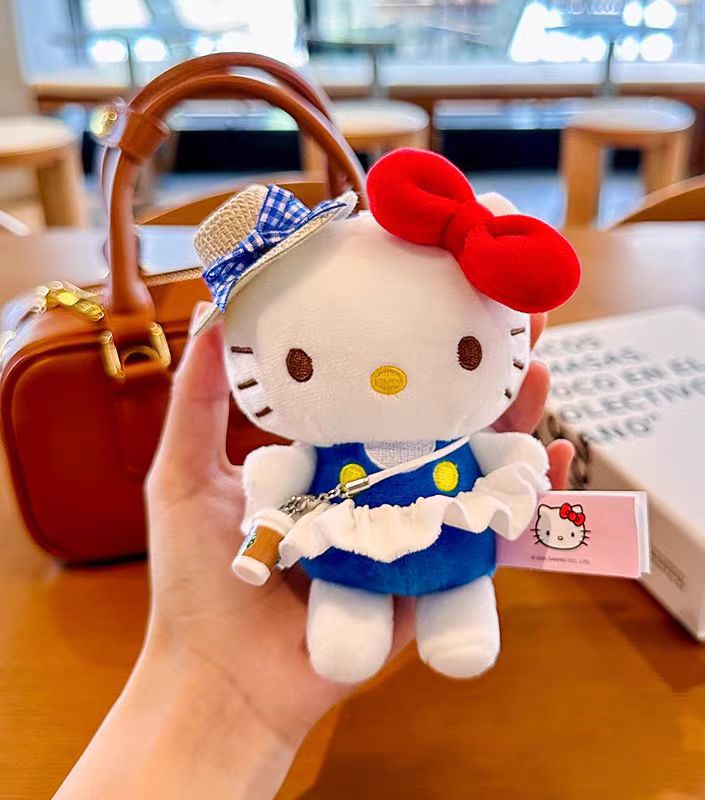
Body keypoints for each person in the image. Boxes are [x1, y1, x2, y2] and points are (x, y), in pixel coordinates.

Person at [54, 304, 573, 799]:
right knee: (346, 632)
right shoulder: (322, 450)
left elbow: (511, 455)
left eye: (467, 351)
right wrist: (266, 511)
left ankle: (458, 614)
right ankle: (352, 622)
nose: (388, 378)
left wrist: (525, 475)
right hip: (348, 567)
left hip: (455, 558)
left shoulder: (464, 439)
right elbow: (283, 479)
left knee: (460, 613)